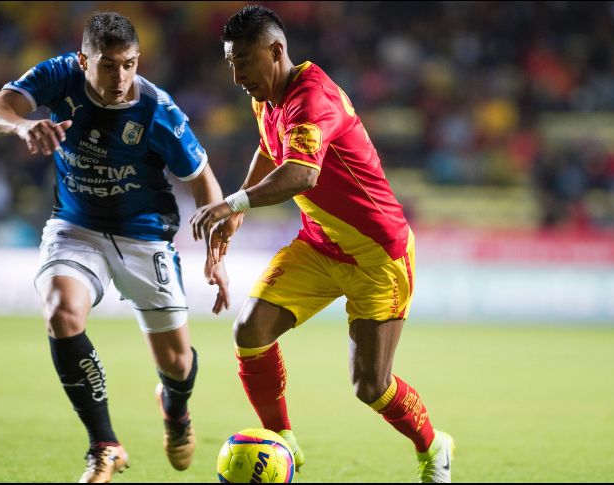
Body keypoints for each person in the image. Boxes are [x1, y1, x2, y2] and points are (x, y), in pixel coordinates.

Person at [190, 5, 454, 483]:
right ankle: (284, 443)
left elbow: (302, 173)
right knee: (250, 331)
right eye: (231, 62)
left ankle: (433, 446)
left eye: (243, 61)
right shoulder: (265, 97)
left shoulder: (314, 97)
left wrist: (232, 205)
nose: (237, 75)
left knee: (371, 386)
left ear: (276, 51)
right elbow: (271, 150)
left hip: (379, 256)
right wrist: (239, 220)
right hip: (320, 244)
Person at [0, 11, 230, 483]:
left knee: (176, 363)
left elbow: (204, 183)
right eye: (109, 65)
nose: (121, 77)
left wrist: (216, 256)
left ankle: (174, 408)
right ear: (83, 60)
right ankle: (104, 444)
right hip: (76, 226)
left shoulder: (158, 110)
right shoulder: (56, 76)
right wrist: (23, 126)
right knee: (60, 311)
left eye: (130, 64)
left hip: (144, 235)